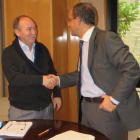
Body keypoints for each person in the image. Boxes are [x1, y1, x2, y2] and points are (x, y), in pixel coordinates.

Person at [49, 3, 140, 140]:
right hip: (85, 108)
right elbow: (81, 75)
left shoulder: (106, 38)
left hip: (105, 110)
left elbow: (132, 68)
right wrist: (57, 80)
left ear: (78, 20)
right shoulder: (84, 43)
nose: (68, 24)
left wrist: (114, 100)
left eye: (69, 20)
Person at [2, 15, 62, 121]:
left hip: (46, 109)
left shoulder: (42, 49)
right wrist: (41, 80)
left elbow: (52, 72)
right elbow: (14, 78)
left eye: (35, 28)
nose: (34, 32)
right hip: (22, 111)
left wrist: (57, 95)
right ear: (17, 32)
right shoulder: (8, 53)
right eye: (29, 29)